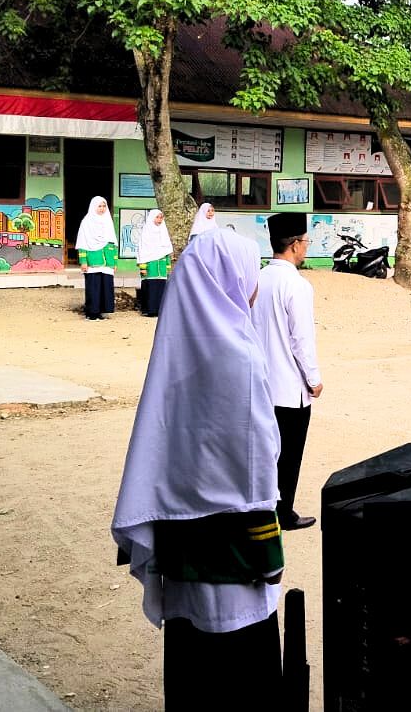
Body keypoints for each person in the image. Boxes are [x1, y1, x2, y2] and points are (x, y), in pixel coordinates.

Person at [111, 227, 284, 709]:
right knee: (239, 677)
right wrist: (267, 548)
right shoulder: (240, 356)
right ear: (232, 277)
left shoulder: (175, 351)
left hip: (184, 551)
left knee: (192, 671)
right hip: (235, 558)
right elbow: (257, 462)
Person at [254, 212, 323, 531]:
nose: (306, 247)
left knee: (263, 452)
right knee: (289, 453)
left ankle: (260, 509)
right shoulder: (296, 285)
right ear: (294, 245)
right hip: (289, 387)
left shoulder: (258, 278)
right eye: (305, 241)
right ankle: (284, 511)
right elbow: (301, 339)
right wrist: (313, 378)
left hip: (259, 382)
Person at [78, 197, 119, 320]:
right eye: (99, 206)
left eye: (104, 206)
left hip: (107, 263)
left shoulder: (108, 221)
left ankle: (101, 311)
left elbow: (113, 243)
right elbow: (82, 243)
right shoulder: (87, 222)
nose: (102, 209)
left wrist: (114, 262)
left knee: (105, 288)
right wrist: (83, 261)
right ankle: (91, 313)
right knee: (93, 288)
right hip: (93, 262)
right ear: (94, 207)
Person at [136, 209, 174, 318]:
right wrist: (142, 267)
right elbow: (142, 250)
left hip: (161, 267)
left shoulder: (163, 232)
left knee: (161, 288)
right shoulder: (146, 233)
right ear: (152, 218)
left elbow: (166, 250)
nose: (159, 220)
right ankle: (149, 310)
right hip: (150, 266)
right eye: (157, 217)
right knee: (150, 288)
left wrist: (167, 266)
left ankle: (159, 310)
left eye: (161, 217)